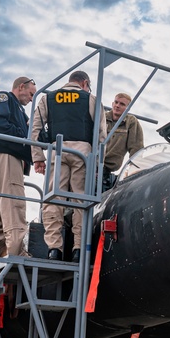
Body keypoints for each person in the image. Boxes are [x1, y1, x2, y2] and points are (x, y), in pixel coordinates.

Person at [31, 71, 103, 262]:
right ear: (85, 83)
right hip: (83, 153)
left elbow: (34, 128)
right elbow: (101, 134)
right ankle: (78, 248)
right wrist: (96, 164)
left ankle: (54, 249)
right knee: (80, 200)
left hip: (57, 150)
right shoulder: (91, 99)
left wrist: (38, 157)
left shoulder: (48, 98)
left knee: (54, 197)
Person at [0, 76, 36, 261]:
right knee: (14, 200)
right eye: (31, 93)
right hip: (7, 154)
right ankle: (17, 249)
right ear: (21, 87)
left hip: (6, 157)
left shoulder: (21, 112)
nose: (31, 99)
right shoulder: (3, 98)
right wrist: (26, 137)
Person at [102, 92, 144, 188]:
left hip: (107, 168)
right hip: (89, 163)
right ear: (112, 104)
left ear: (127, 108)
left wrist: (133, 171)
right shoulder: (101, 117)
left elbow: (136, 149)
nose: (117, 106)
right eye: (116, 102)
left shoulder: (131, 122)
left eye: (122, 104)